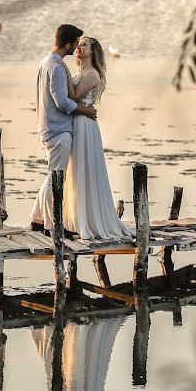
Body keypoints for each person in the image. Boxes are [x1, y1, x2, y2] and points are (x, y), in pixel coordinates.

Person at [31, 24, 98, 235]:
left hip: (47, 126)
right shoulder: (57, 67)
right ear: (68, 45)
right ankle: (53, 227)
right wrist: (85, 111)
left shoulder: (45, 62)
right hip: (58, 128)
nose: (77, 47)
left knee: (52, 174)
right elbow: (62, 102)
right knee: (57, 177)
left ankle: (38, 219)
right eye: (76, 44)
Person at [62, 36, 132, 240]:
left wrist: (63, 72)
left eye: (84, 45)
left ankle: (89, 219)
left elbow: (74, 95)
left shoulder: (92, 74)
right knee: (75, 170)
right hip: (76, 121)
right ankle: (74, 217)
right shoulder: (81, 72)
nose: (79, 47)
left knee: (85, 168)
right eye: (79, 44)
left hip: (85, 126)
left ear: (93, 51)